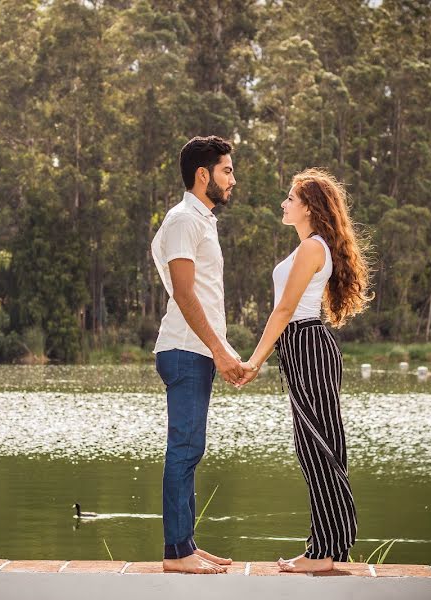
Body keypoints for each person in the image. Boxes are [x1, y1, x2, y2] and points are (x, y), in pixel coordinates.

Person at [238, 168, 372, 572]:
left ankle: (326, 551)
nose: (283, 203)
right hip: (300, 346)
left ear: (309, 207)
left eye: (290, 198)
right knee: (312, 447)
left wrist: (253, 361)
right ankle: (323, 548)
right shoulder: (308, 247)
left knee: (318, 447)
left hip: (307, 343)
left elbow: (284, 310)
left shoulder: (313, 248)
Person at [151, 135, 244, 574]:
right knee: (184, 448)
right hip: (185, 350)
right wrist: (217, 350)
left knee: (191, 449)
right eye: (227, 170)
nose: (233, 179)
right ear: (202, 174)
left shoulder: (200, 220)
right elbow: (186, 295)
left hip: (197, 350)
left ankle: (184, 543)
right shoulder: (183, 220)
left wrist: (223, 350)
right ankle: (176, 554)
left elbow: (202, 294)